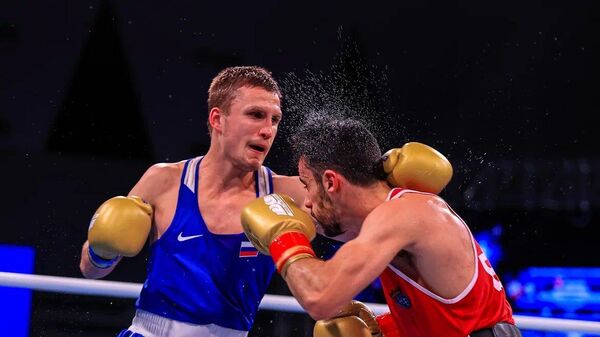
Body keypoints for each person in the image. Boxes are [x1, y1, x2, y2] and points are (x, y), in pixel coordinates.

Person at [79, 67, 451, 337]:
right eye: (256, 115)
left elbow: (371, 217)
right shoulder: (164, 181)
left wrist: (388, 177)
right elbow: (90, 270)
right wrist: (102, 250)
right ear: (218, 119)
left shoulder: (290, 193)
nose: (268, 129)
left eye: (275, 119)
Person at [241, 117, 521, 337]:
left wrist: (285, 238)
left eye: (307, 185)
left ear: (330, 182)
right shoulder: (387, 216)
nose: (308, 203)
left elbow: (319, 297)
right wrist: (386, 329)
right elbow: (459, 317)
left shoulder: (403, 215)